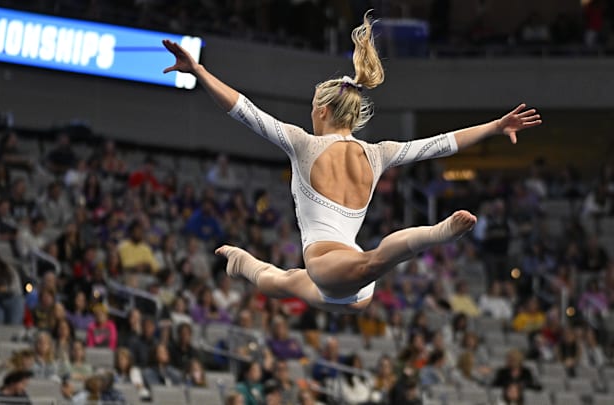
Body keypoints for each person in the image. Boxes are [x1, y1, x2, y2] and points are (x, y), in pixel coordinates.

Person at [161, 12, 542, 314]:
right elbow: (440, 145)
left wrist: (200, 71)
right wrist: (493, 126)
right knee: (279, 283)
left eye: (312, 108)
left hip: (334, 268)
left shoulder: (303, 144)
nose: (310, 115)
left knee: (355, 266)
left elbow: (244, 110)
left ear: (323, 110)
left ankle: (436, 234)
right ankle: (239, 262)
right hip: (353, 284)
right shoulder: (377, 153)